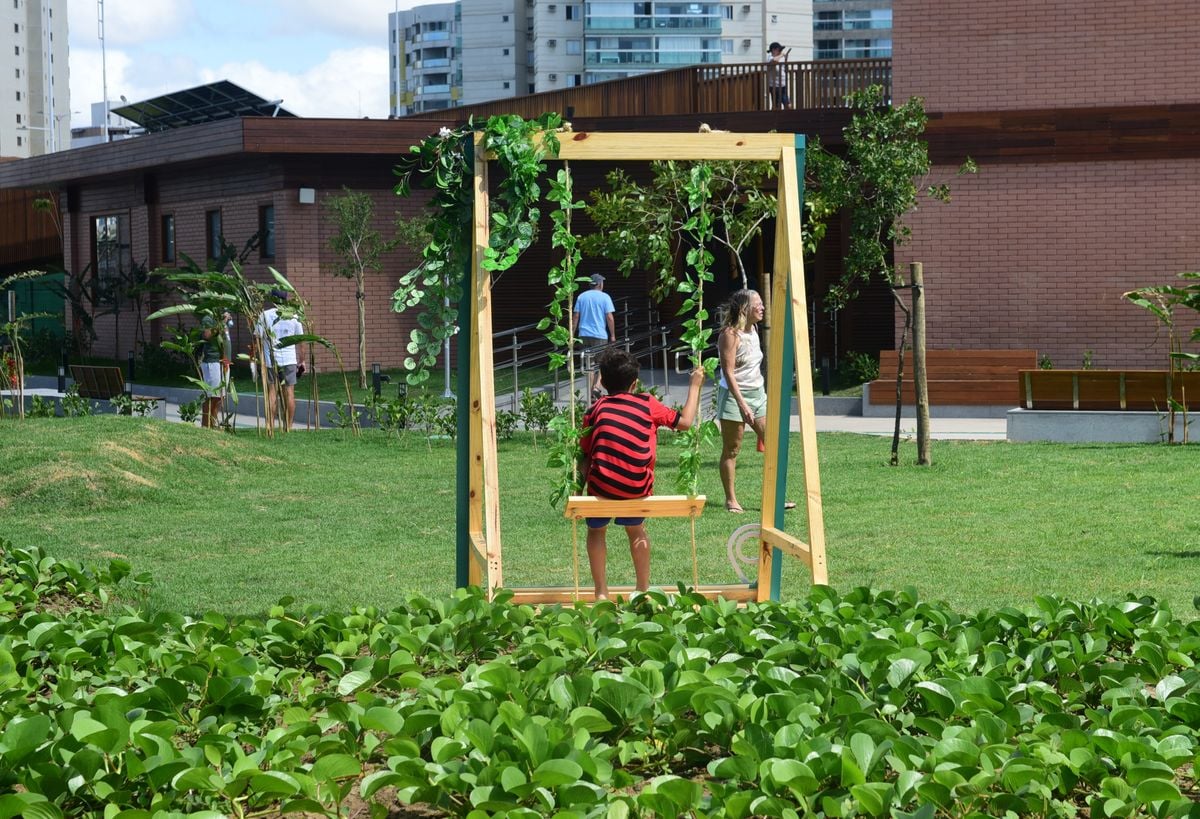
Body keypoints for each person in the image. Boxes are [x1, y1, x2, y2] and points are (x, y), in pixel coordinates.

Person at [579, 347, 704, 601]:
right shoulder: (647, 403)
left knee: (595, 531)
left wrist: (577, 492)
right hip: (636, 487)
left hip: (601, 487)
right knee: (636, 530)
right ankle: (642, 590)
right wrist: (695, 385)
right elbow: (686, 423)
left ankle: (601, 592)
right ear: (634, 383)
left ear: (601, 381)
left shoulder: (595, 409)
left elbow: (585, 455)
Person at [716, 289, 795, 513]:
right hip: (733, 396)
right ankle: (731, 500)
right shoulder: (730, 335)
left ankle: (775, 498)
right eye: (758, 304)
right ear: (744, 309)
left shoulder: (755, 330)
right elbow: (728, 373)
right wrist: (742, 404)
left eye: (762, 304)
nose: (762, 308)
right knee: (732, 449)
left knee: (773, 444)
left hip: (757, 394)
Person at [255, 289, 305, 430]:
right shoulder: (294, 316)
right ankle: (288, 427)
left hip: (271, 361)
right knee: (289, 393)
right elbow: (301, 341)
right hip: (289, 361)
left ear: (272, 299)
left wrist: (258, 358)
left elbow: (257, 338)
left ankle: (270, 426)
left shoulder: (264, 315)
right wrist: (302, 361)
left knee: (272, 392)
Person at [572, 273, 616, 401]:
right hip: (599, 335)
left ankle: (591, 394)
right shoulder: (605, 297)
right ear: (599, 283)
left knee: (589, 364)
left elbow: (575, 317)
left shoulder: (581, 297)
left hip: (583, 335)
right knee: (602, 363)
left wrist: (572, 335)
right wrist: (612, 335)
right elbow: (609, 317)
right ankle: (597, 387)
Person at [198, 311, 233, 428]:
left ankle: (213, 423)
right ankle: (206, 425)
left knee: (220, 397)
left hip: (224, 363)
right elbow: (206, 335)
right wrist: (222, 322)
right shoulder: (208, 318)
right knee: (213, 396)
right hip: (212, 362)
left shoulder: (222, 317)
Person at [766, 42, 791, 110]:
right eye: (779, 50)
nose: (781, 51)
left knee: (788, 104)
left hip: (783, 85)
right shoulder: (769, 58)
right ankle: (774, 119)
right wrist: (782, 55)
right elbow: (774, 61)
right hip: (774, 86)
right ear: (774, 50)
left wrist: (786, 60)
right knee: (776, 106)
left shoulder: (781, 58)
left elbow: (785, 70)